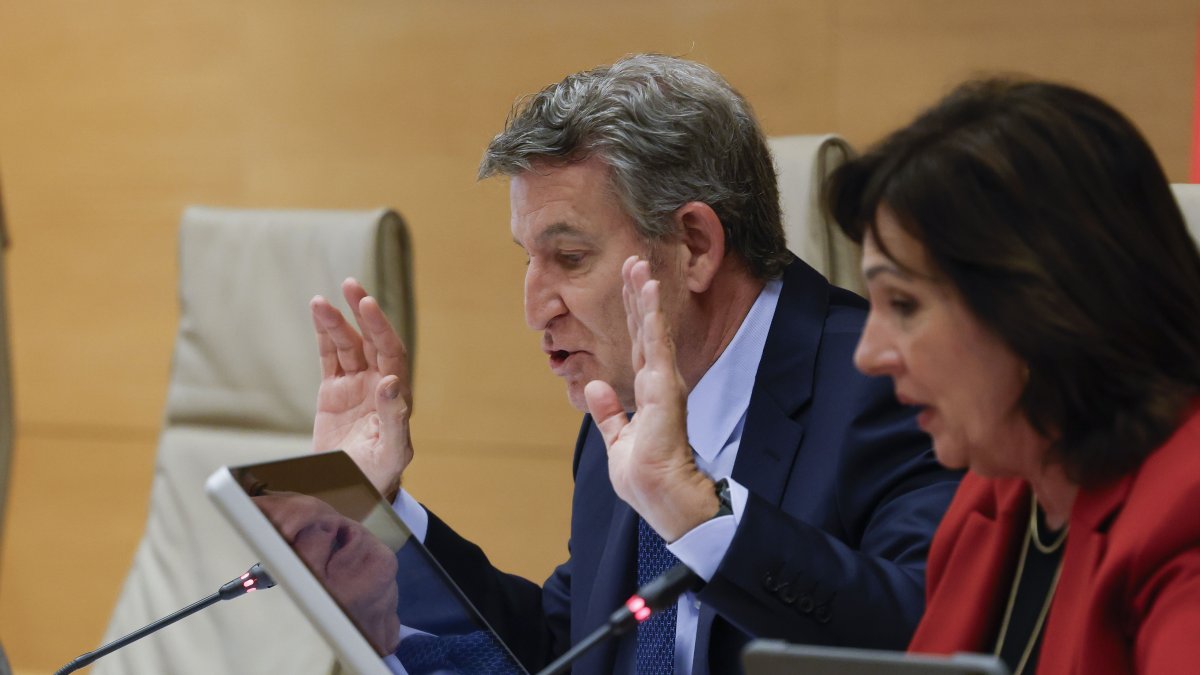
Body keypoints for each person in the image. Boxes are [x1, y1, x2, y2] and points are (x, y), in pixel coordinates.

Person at [309, 54, 960, 675]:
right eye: (526, 258)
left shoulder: (885, 382)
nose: (534, 309)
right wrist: (369, 511)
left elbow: (934, 638)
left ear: (695, 246)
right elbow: (565, 652)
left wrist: (699, 514)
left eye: (569, 257)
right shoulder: (618, 410)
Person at [821, 78, 1200, 674]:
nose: (868, 354)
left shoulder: (1185, 514)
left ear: (1040, 303)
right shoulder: (998, 491)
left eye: (903, 304)